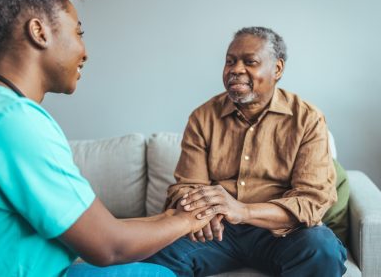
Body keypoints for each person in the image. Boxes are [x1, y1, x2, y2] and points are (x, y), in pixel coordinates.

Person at [0, 0, 214, 276]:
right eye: (78, 32)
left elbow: (98, 228)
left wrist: (173, 216)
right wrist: (189, 220)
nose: (85, 51)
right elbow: (108, 245)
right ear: (39, 32)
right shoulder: (15, 123)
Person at [144, 27, 347, 276]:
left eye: (249, 62)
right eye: (230, 61)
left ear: (278, 69)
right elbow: (187, 186)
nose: (235, 69)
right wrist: (203, 213)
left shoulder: (307, 119)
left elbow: (311, 201)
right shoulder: (203, 117)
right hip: (219, 231)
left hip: (281, 233)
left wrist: (243, 211)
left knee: (322, 249)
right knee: (154, 251)